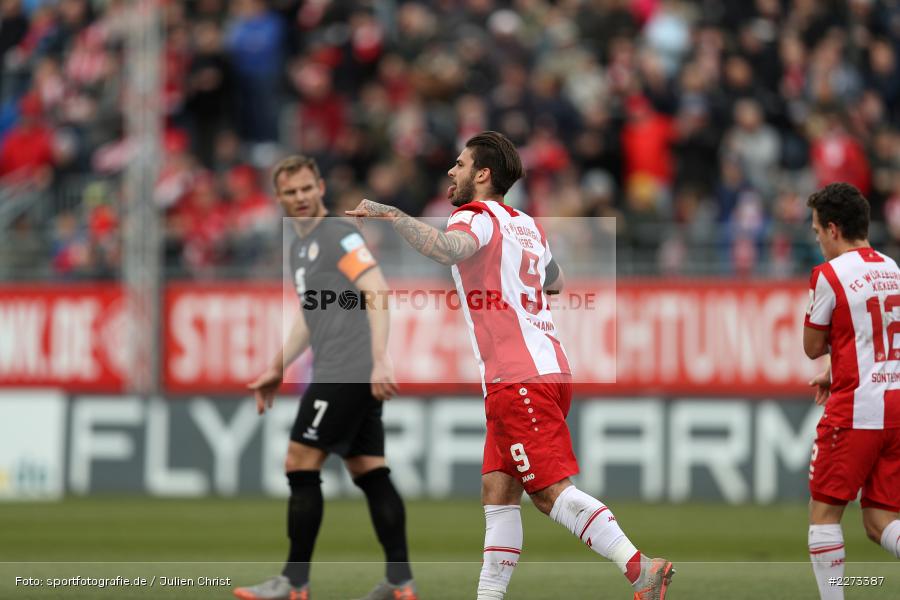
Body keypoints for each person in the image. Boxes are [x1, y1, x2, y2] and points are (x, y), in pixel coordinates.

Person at [347, 131, 674, 600]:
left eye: (459, 165)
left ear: (482, 174)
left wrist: (393, 214)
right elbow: (556, 281)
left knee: (548, 492)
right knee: (498, 493)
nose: (450, 172)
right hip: (547, 369)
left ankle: (638, 566)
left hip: (516, 377)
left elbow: (449, 250)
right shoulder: (526, 224)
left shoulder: (474, 217)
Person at [233, 155, 417, 600]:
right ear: (279, 197)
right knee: (369, 469)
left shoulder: (337, 233)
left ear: (319, 186)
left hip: (347, 369)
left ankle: (293, 584)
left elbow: (376, 288)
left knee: (299, 461)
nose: (299, 198)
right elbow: (308, 317)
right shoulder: (300, 246)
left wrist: (380, 359)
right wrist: (277, 365)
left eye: (305, 189)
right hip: (343, 366)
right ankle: (400, 583)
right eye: (290, 192)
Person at [804, 182, 900, 600]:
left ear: (833, 229)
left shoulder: (829, 274)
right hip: (896, 406)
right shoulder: (893, 268)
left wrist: (829, 364)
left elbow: (811, 347)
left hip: (858, 409)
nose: (818, 241)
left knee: (824, 516)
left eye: (817, 232)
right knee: (880, 522)